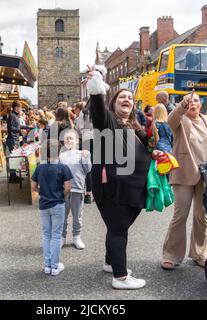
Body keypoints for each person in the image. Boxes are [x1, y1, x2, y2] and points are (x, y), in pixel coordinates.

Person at [86, 65, 159, 290]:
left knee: (117, 227)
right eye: (121, 97)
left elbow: (145, 147)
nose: (126, 99)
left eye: (129, 97)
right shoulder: (107, 121)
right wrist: (97, 82)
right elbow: (97, 107)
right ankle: (120, 277)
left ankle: (111, 262)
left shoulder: (134, 126)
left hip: (130, 189)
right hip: (114, 189)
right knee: (118, 229)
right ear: (113, 103)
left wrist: (154, 152)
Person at [161, 90, 207, 270]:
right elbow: (170, 119)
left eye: (196, 100)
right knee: (180, 215)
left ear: (201, 104)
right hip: (184, 173)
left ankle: (200, 253)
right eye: (190, 101)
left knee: (202, 216)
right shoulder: (181, 120)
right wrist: (182, 105)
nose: (193, 103)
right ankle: (171, 254)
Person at [31, 139, 73, 276]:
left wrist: (43, 192)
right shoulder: (63, 168)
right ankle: (55, 266)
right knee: (56, 235)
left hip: (44, 204)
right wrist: (60, 194)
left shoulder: (39, 167)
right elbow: (68, 188)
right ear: (59, 151)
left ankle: (47, 265)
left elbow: (33, 187)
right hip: (58, 203)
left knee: (46, 235)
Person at [59, 130, 92, 249]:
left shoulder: (81, 154)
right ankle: (62, 237)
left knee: (77, 216)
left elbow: (88, 169)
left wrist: (86, 157)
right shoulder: (61, 156)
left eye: (71, 138)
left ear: (77, 141)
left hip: (77, 189)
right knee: (62, 215)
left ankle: (76, 237)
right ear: (64, 141)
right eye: (67, 138)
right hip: (63, 190)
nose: (69, 140)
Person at [74, 101, 94, 204]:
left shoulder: (83, 112)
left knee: (87, 167)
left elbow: (78, 128)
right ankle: (98, 191)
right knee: (97, 165)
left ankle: (88, 194)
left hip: (86, 140)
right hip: (99, 139)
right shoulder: (100, 110)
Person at [6, 101, 29, 182]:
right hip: (12, 139)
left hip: (14, 139)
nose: (21, 109)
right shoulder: (12, 116)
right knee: (13, 158)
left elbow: (18, 126)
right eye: (20, 107)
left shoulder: (14, 116)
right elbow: (10, 128)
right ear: (16, 107)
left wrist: (28, 127)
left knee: (15, 158)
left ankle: (14, 175)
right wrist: (20, 130)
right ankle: (12, 177)